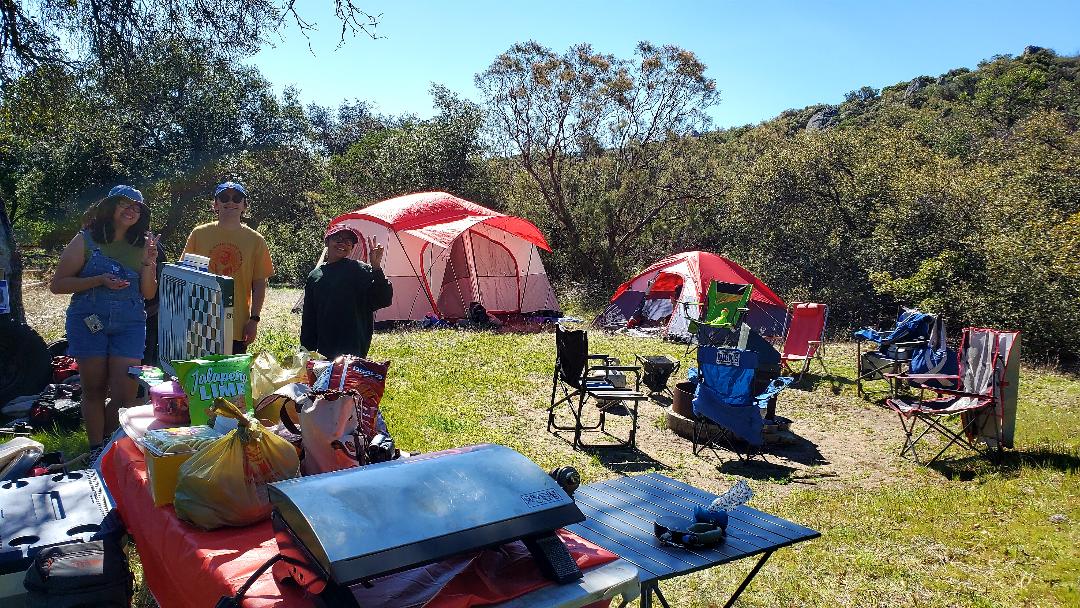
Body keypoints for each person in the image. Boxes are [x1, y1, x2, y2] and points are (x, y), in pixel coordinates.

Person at [49, 185, 158, 456]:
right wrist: (98, 280)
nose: (131, 210)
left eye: (137, 207)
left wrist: (148, 263)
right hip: (88, 321)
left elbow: (148, 293)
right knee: (94, 389)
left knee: (125, 394)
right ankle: (96, 449)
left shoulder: (144, 244)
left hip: (130, 323)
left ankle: (109, 445)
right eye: (125, 204)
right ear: (110, 207)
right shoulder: (85, 239)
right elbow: (58, 284)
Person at [183, 181, 273, 354]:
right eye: (224, 197)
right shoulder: (198, 234)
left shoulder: (256, 240)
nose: (230, 202)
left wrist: (254, 320)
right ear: (215, 204)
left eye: (237, 198)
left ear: (244, 205)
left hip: (236, 324)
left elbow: (260, 283)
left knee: (230, 379)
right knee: (201, 378)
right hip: (200, 320)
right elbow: (185, 274)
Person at [300, 224, 393, 359]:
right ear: (327, 241)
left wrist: (376, 267)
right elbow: (309, 318)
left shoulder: (361, 270)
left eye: (348, 241)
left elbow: (384, 299)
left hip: (354, 349)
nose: (342, 243)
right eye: (338, 239)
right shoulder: (315, 276)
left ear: (351, 248)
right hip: (324, 351)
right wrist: (306, 352)